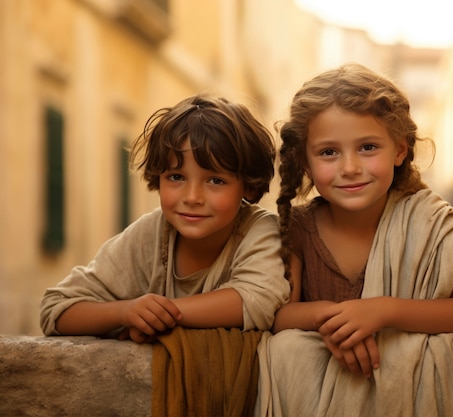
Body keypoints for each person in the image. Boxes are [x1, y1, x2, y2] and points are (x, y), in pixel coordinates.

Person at [256, 63, 453, 417]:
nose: (349, 167)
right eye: (329, 152)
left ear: (399, 150)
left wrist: (381, 311)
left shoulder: (428, 223)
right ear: (305, 162)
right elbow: (278, 316)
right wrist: (335, 320)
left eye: (367, 147)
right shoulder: (299, 229)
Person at [40, 95, 290, 344]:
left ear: (247, 185)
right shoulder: (150, 234)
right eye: (176, 177)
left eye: (215, 180)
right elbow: (57, 310)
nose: (192, 197)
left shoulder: (259, 230)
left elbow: (258, 300)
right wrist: (127, 312)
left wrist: (162, 315)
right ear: (158, 176)